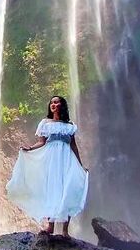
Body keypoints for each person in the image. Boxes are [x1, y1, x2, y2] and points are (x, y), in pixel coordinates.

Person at [5, 96, 89, 236]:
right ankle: (50, 226)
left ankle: (64, 231)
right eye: (52, 102)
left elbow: (73, 145)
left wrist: (80, 165)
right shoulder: (45, 123)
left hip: (67, 159)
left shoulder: (70, 126)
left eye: (56, 102)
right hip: (51, 160)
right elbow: (42, 142)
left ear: (62, 105)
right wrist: (30, 148)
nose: (53, 104)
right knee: (51, 189)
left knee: (66, 190)